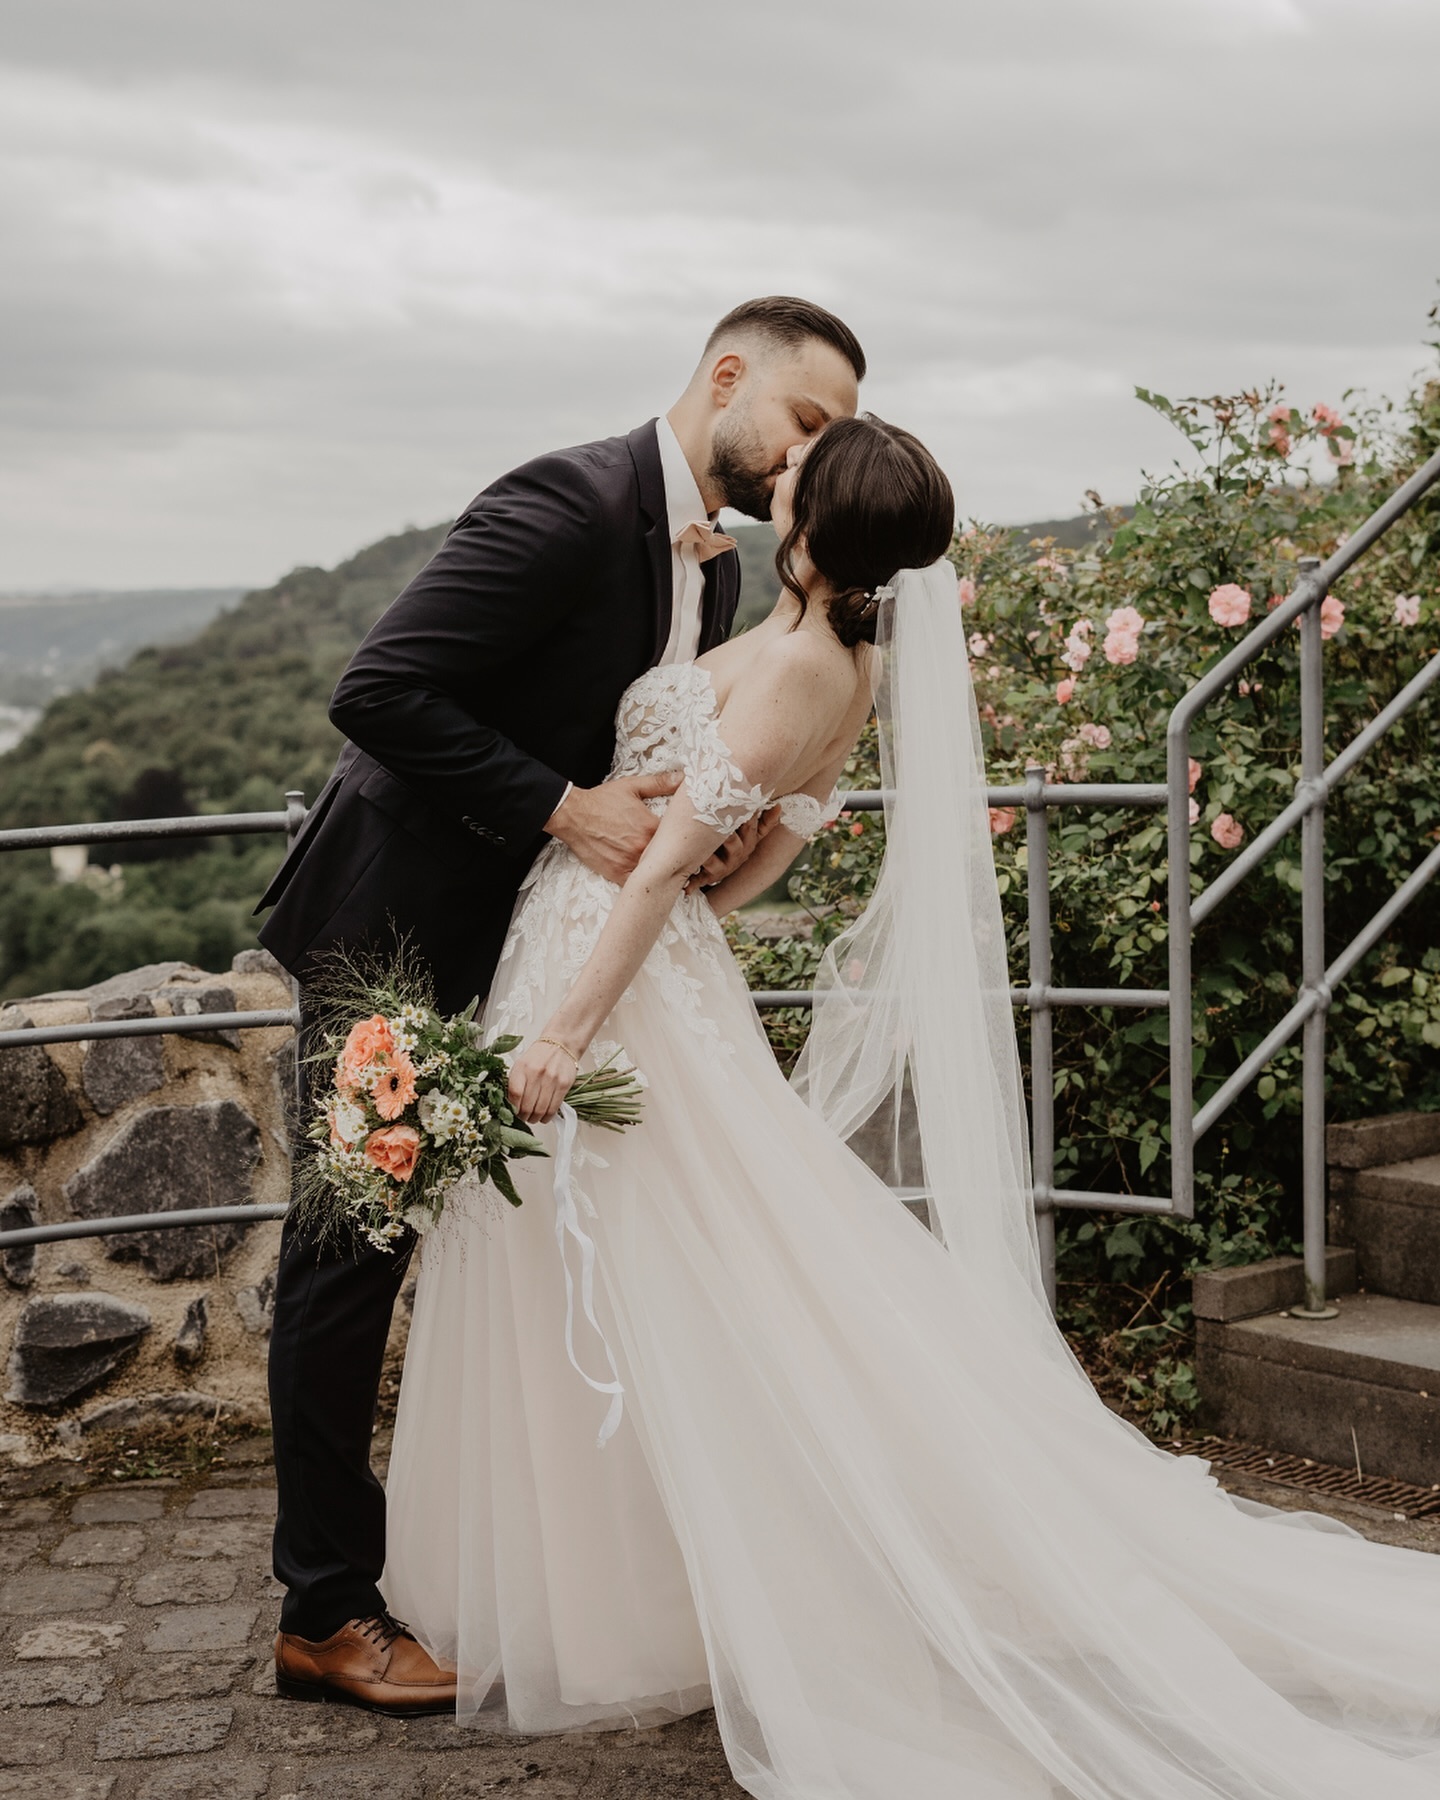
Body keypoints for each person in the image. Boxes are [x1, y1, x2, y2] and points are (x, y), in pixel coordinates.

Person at [386, 415, 1440, 1796]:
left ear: (821, 531)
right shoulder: (845, 656)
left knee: (673, 1271)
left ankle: (654, 1586)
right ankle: (625, 1579)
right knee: (666, 1275)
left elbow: (668, 874)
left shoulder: (806, 670)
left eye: (800, 482)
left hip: (615, 972)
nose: (780, 480)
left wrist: (570, 1030)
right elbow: (761, 857)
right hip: (632, 953)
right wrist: (692, 892)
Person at [257, 296, 865, 1713]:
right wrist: (566, 809)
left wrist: (689, 831)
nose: (804, 460)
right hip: (391, 932)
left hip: (527, 946)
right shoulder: (565, 501)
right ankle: (327, 1614)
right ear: (729, 376)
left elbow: (647, 742)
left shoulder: (719, 578)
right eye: (805, 421)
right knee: (353, 1246)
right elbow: (381, 686)